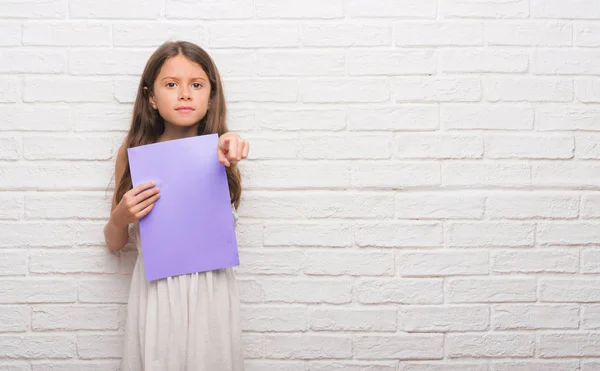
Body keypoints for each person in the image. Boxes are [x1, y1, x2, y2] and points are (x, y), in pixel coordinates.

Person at [103, 40, 249, 371]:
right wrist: (119, 218)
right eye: (171, 85)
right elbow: (115, 243)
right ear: (151, 97)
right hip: (157, 292)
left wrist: (230, 146)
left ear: (210, 97)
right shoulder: (133, 154)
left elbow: (230, 145)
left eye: (196, 85)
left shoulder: (222, 150)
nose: (185, 94)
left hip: (211, 291)